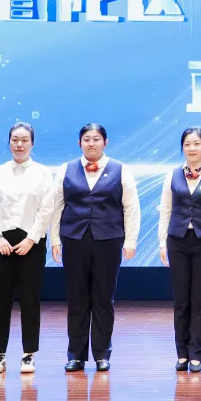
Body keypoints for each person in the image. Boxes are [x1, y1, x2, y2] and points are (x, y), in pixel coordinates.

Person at [52, 123, 141, 372]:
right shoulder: (66, 169)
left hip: (109, 240)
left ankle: (102, 354)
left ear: (105, 142)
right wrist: (55, 240)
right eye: (86, 139)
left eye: (96, 139)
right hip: (74, 239)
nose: (91, 143)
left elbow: (131, 207)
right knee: (77, 298)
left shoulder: (120, 169)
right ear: (79, 143)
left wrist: (131, 240)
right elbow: (56, 206)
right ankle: (76, 355)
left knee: (103, 299)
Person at [0, 122, 54, 374]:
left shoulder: (43, 173)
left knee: (29, 299)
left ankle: (28, 354)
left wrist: (31, 239)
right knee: (0, 299)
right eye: (15, 140)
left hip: (31, 243)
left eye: (24, 140)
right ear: (9, 142)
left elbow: (46, 209)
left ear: (32, 143)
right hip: (0, 242)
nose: (19, 144)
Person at [158, 127, 201, 373]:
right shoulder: (172, 175)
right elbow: (165, 211)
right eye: (187, 144)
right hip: (177, 240)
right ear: (182, 148)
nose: (192, 148)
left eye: (197, 143)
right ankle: (181, 353)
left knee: (200, 300)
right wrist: (162, 242)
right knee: (181, 300)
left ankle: (196, 353)